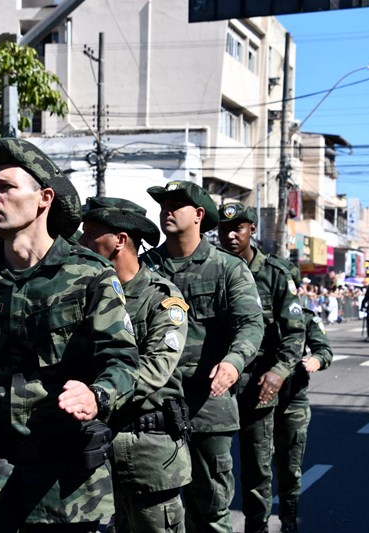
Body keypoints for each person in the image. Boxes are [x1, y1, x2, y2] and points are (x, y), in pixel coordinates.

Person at [0, 138, 139, 532]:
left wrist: (97, 394)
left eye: (6, 187)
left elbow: (121, 359)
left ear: (43, 198)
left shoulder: (89, 275)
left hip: (65, 482)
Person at [141, 181, 264, 533]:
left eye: (176, 205)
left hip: (207, 406)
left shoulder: (226, 268)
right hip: (153, 404)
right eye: (163, 204)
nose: (166, 210)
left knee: (209, 512)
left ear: (197, 215)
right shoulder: (145, 267)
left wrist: (234, 361)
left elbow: (251, 325)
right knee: (148, 511)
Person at [79, 197, 191, 533]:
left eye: (91, 234)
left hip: (148, 453)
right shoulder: (88, 294)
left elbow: (157, 368)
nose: (82, 243)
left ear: (119, 241)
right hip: (96, 448)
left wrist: (100, 393)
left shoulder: (162, 300)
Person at [216, 202, 305, 533]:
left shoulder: (275, 274)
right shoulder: (215, 268)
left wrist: (280, 370)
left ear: (252, 230)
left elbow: (296, 333)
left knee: (257, 467)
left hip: (259, 384)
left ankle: (258, 527)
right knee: (214, 466)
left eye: (237, 228)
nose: (230, 235)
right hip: (219, 382)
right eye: (224, 229)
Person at [273, 302, 334, 533]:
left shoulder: (305, 317)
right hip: (257, 399)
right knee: (255, 470)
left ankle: (288, 519)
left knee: (289, 467)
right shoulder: (252, 309)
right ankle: (256, 524)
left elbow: (324, 349)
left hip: (292, 400)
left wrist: (317, 359)